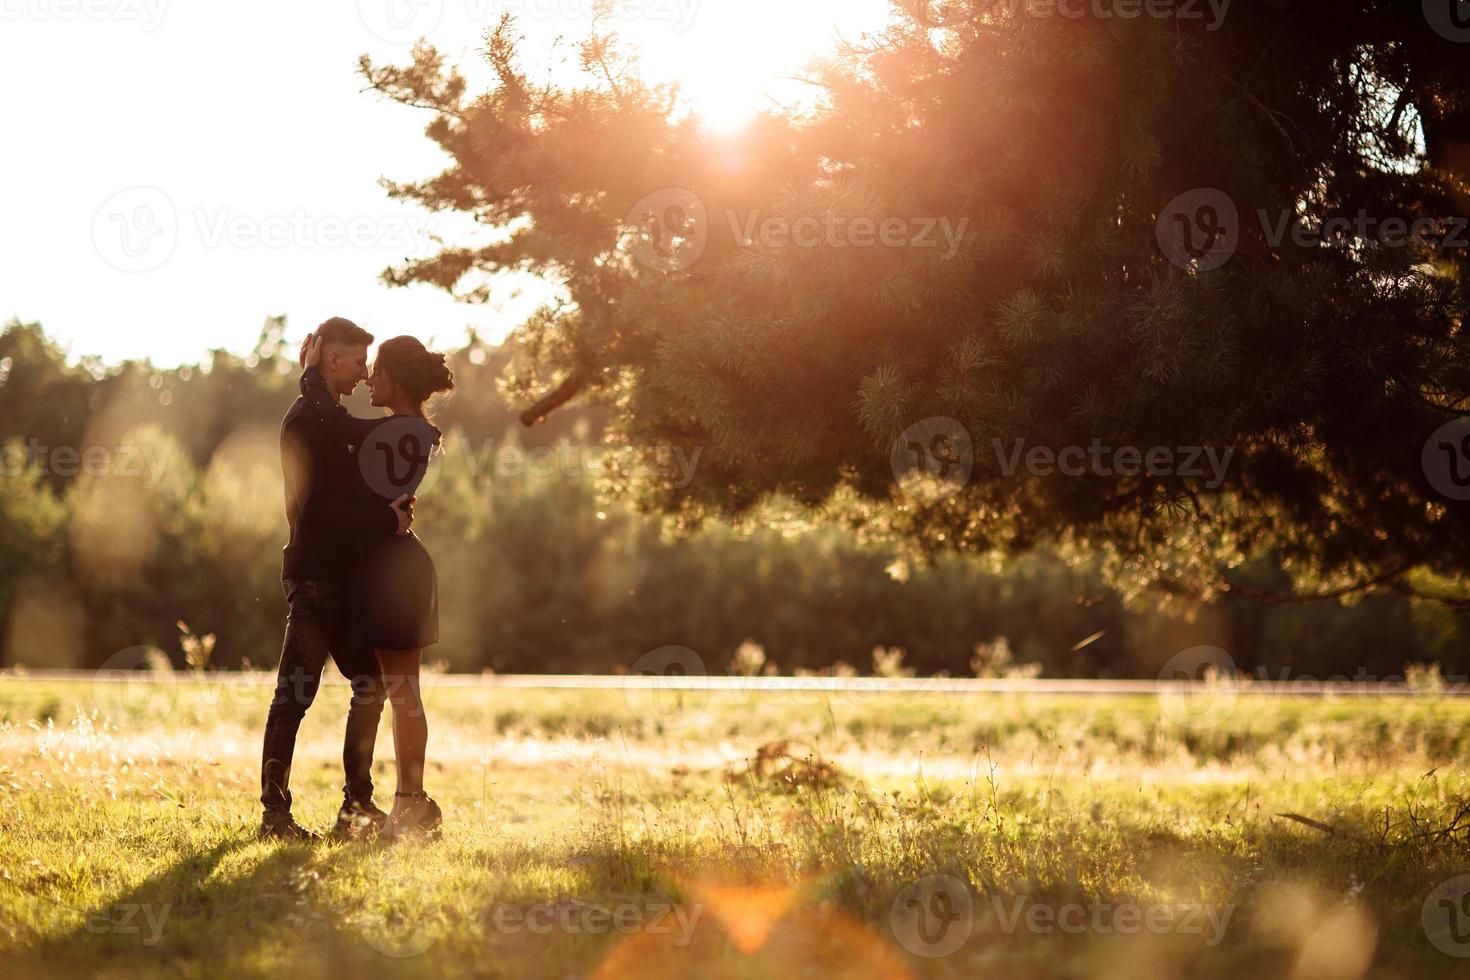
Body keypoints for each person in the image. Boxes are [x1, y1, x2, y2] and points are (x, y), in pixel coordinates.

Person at [259, 317, 413, 841]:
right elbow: (318, 508)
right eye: (358, 362)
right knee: (294, 694)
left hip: (342, 579)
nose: (364, 374)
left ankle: (356, 809)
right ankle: (274, 817)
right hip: (315, 577)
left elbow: (351, 451)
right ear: (332, 359)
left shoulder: (328, 417)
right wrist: (383, 520)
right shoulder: (305, 420)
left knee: (369, 684)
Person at [298, 330, 452, 840]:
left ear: (400, 380)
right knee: (393, 689)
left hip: (396, 572)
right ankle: (399, 802)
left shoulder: (402, 432)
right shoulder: (397, 428)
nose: (368, 379)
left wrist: (312, 374)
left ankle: (409, 802)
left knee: (403, 691)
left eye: (378, 371)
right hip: (387, 568)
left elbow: (335, 424)